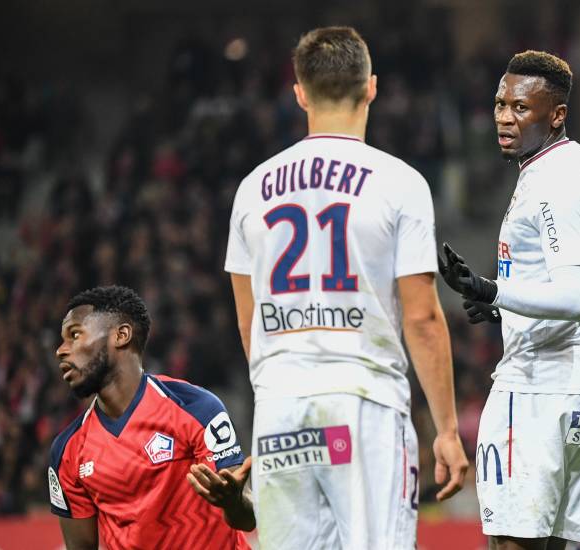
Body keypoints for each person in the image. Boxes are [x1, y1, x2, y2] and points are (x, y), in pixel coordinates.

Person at [224, 26, 468, 549]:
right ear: (372, 87)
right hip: (364, 404)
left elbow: (247, 322)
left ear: (300, 93)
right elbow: (422, 317)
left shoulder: (251, 190)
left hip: (280, 407)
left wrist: (277, 391)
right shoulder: (399, 182)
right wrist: (446, 430)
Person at [438, 50, 580, 549]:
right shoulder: (577, 163)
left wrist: (494, 289)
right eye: (500, 104)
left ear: (556, 115)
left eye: (520, 107)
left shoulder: (553, 180)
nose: (503, 116)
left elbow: (573, 294)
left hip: (542, 388)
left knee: (512, 543)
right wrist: (502, 305)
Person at [48, 285, 252, 550]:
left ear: (121, 335)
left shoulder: (195, 408)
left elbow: (247, 519)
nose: (61, 350)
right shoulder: (67, 451)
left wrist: (233, 502)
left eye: (74, 335)